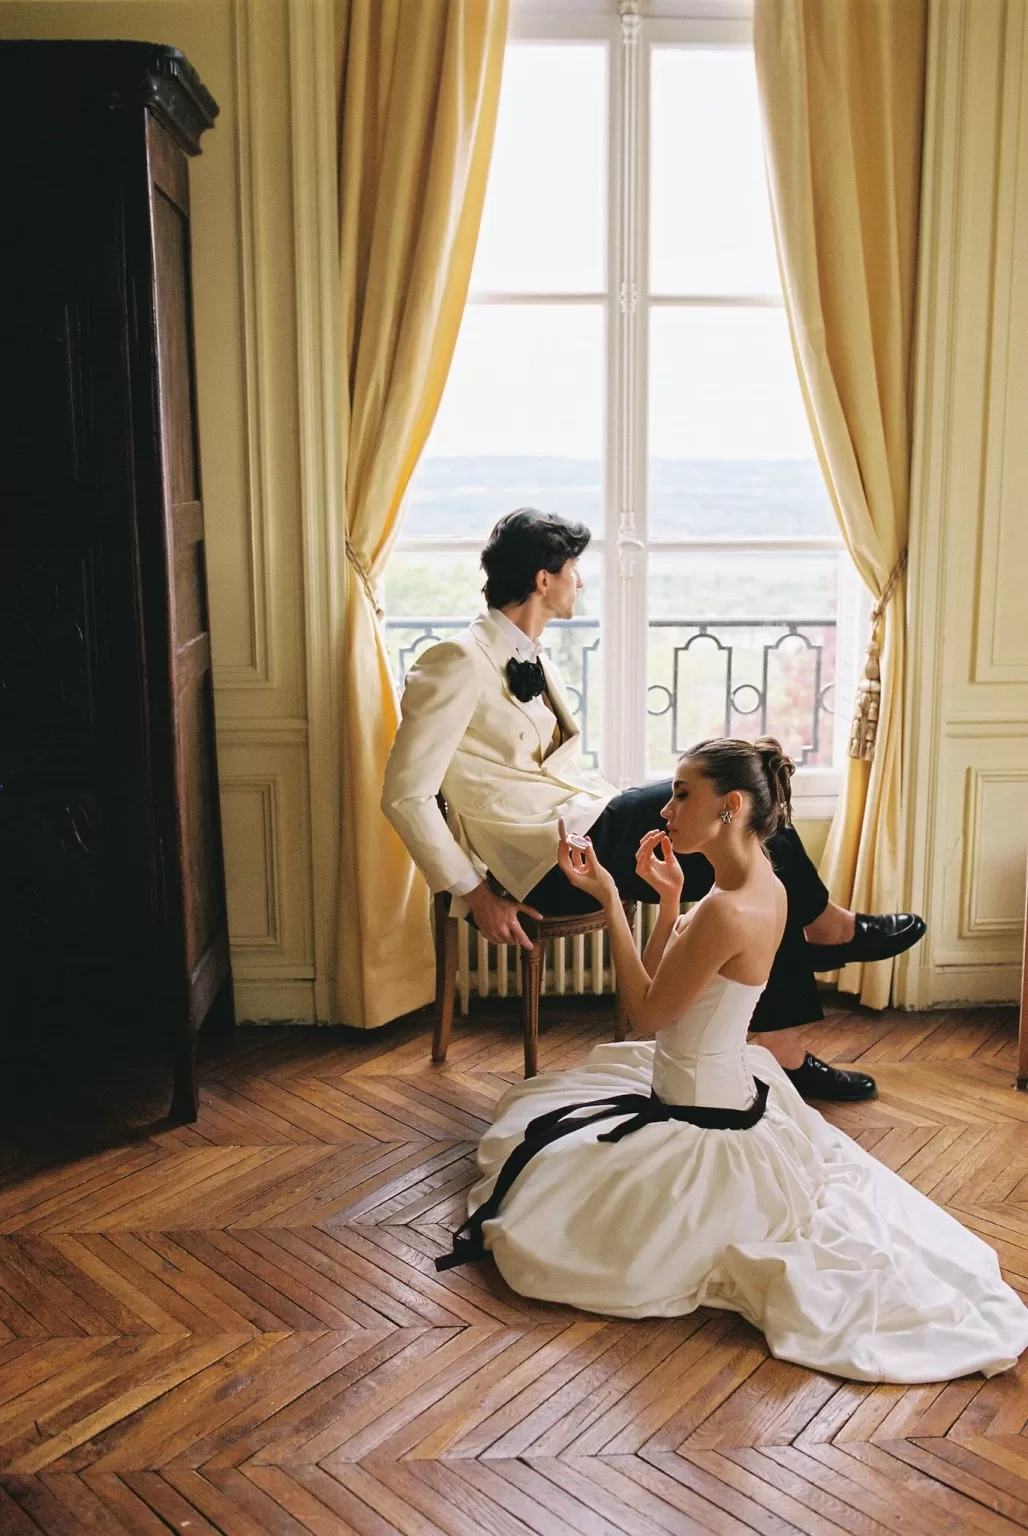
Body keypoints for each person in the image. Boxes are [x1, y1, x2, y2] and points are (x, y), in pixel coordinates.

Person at [434, 739, 1028, 1384]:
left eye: (683, 793)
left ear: (731, 806)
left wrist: (611, 903)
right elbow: (671, 985)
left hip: (697, 1116)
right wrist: (665, 902)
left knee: (542, 1198)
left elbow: (641, 1018)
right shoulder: (760, 882)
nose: (665, 808)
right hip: (722, 1086)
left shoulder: (725, 909)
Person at [382, 508, 926, 1102]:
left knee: (757, 851)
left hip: (585, 826)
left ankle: (790, 1028)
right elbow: (406, 795)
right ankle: (824, 938)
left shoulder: (533, 656)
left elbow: (542, 769)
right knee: (748, 825)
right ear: (544, 580)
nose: (581, 583)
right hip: (547, 859)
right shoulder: (457, 661)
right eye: (575, 570)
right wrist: (473, 893)